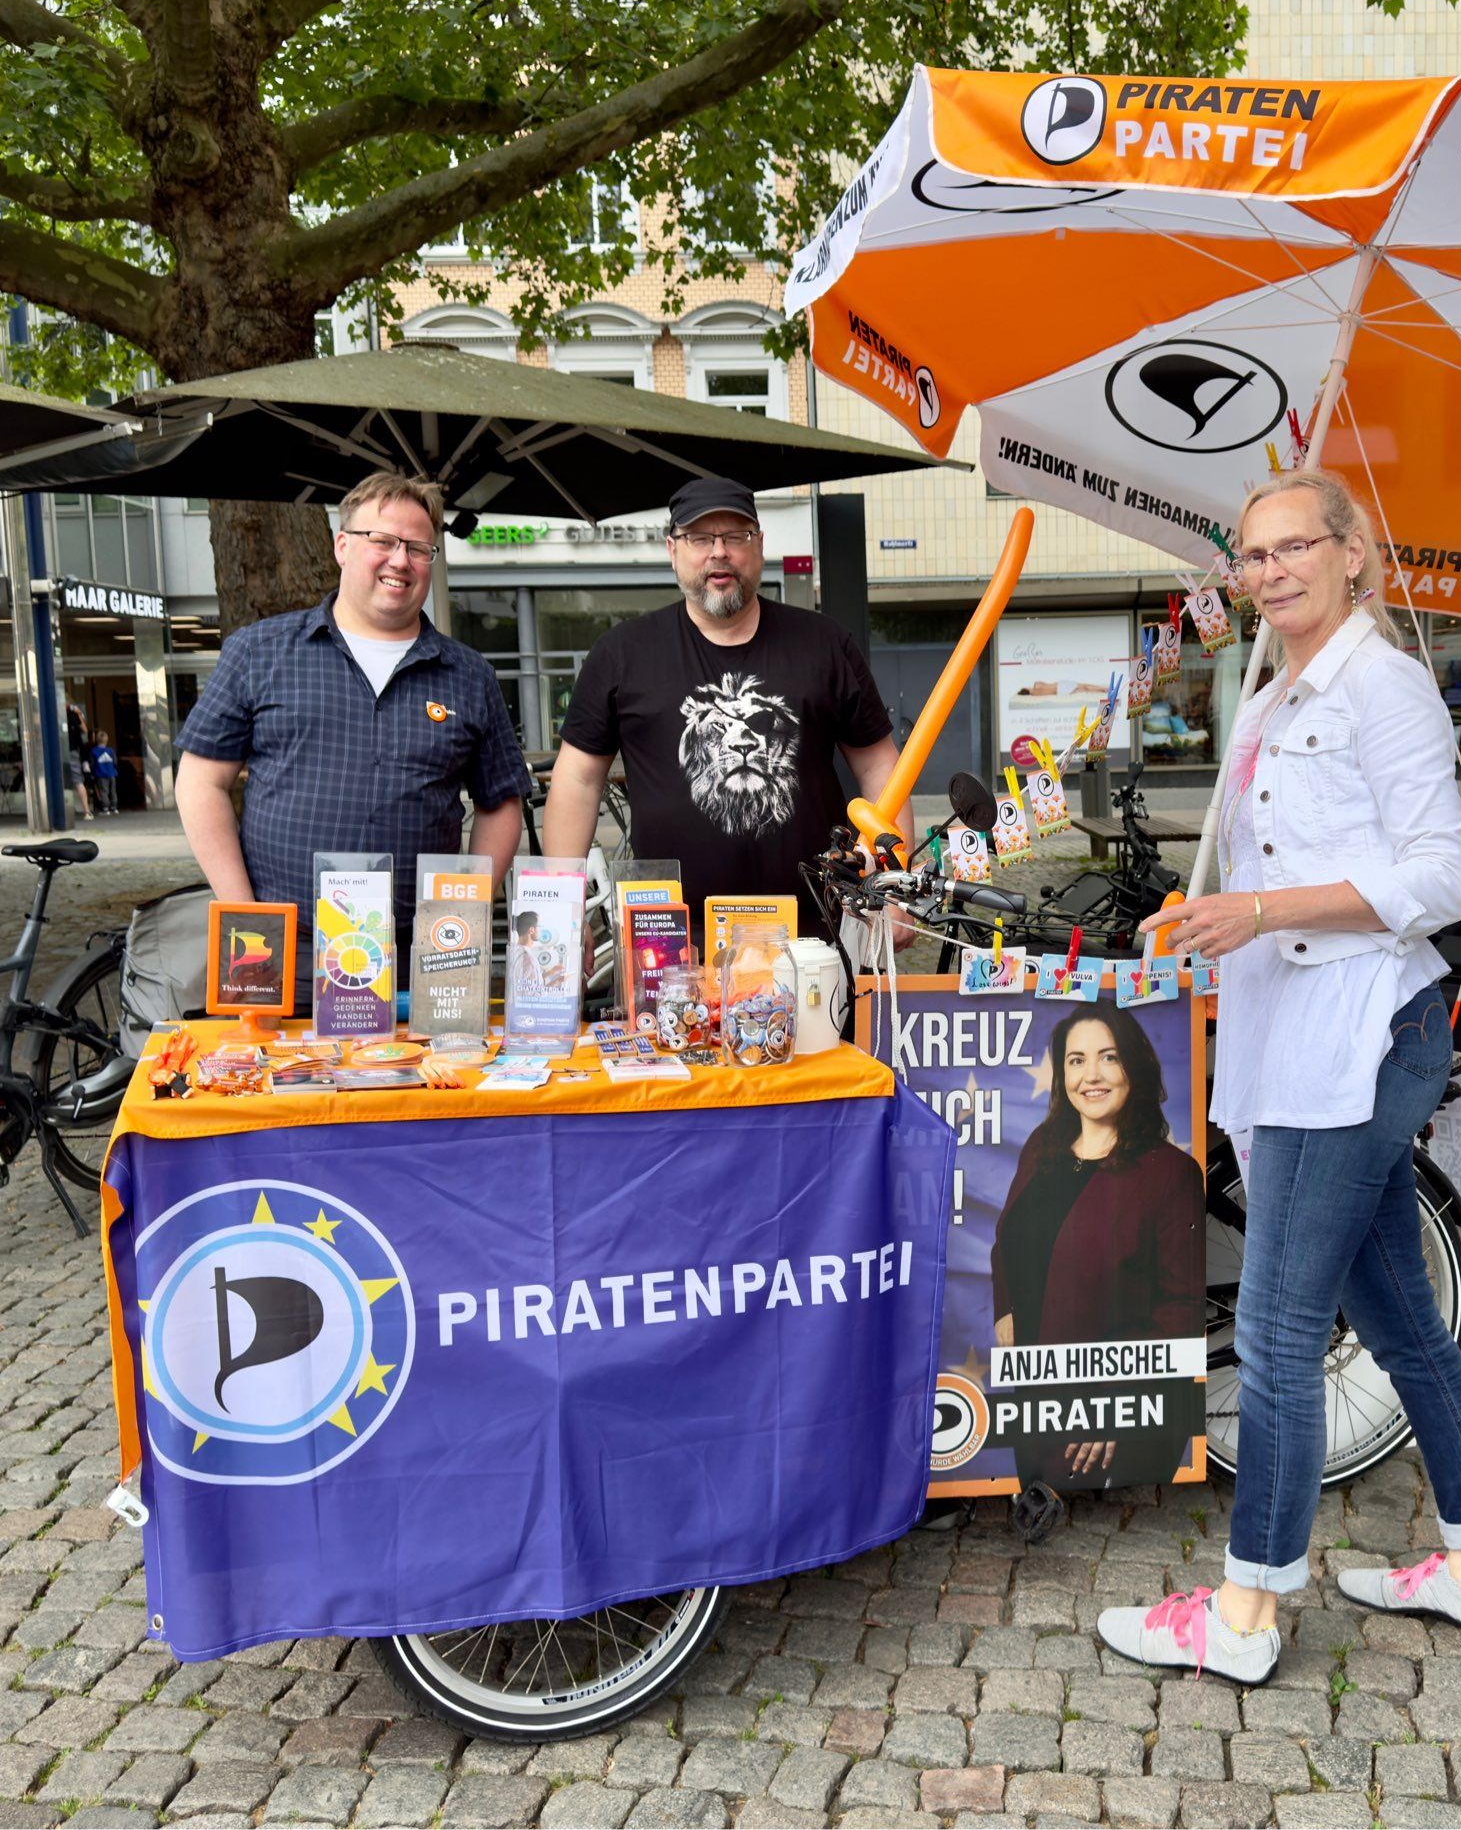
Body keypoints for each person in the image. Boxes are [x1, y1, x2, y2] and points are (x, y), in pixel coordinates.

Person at [1095, 468, 1461, 1688]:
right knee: (1396, 1319)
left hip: (1356, 1039)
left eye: (1290, 548)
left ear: (1350, 551)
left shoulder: (1382, 687)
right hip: (1293, 1043)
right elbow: (1266, 861)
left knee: (1276, 1331)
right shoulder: (1272, 688)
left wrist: (1260, 909)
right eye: (1249, 555)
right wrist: (1200, 913)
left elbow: (1439, 881)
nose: (1267, 571)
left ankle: (1245, 1610)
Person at [175, 473, 529, 994]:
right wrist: (245, 914)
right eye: (382, 541)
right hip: (280, 951)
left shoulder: (468, 674)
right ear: (343, 546)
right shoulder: (260, 651)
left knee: (426, 1078)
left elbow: (502, 804)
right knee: (278, 1078)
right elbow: (199, 781)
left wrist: (463, 912)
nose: (400, 560)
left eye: (419, 548)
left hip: (421, 956)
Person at [541, 477, 911, 941]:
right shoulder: (622, 653)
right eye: (700, 537)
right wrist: (562, 911)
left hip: (815, 937)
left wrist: (892, 889)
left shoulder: (824, 644)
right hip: (668, 945)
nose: (719, 552)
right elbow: (577, 778)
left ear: (758, 546)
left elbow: (880, 765)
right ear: (673, 549)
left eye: (736, 535)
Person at [991, 1007, 1205, 1490]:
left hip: (1118, 1421)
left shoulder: (1171, 1173)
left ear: (1135, 1066)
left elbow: (1181, 1310)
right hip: (1040, 1398)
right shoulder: (1043, 1145)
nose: (1090, 1076)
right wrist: (1006, 1307)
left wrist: (1120, 1405)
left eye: (1108, 1058)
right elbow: (1006, 1239)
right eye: (1075, 1060)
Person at [64, 704, 92, 823]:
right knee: (78, 780)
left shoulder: (53, 712)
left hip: (60, 750)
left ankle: (63, 810)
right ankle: (86, 810)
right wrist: (79, 714)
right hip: (73, 750)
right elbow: (85, 730)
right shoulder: (73, 715)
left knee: (61, 781)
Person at [87, 729, 120, 816]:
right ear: (106, 740)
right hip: (112, 773)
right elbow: (115, 762)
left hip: (101, 774)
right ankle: (114, 807)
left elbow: (92, 764)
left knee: (103, 791)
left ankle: (105, 808)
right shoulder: (111, 751)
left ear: (96, 740)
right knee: (113, 790)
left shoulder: (93, 751)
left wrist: (92, 772)